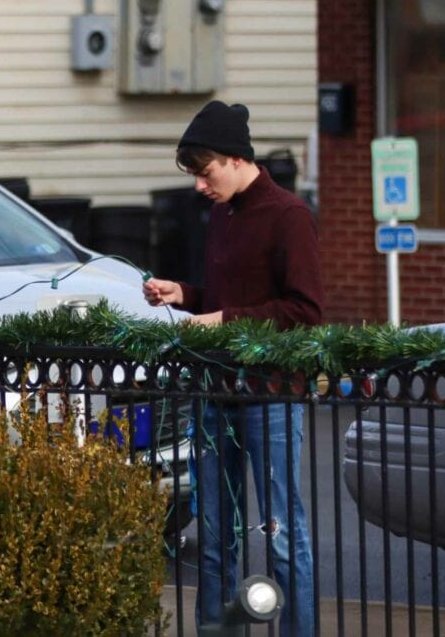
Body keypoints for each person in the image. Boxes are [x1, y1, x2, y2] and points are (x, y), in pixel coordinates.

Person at [142, 101, 323, 635]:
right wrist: (185, 295)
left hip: (269, 394)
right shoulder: (221, 214)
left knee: (283, 534)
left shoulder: (289, 215)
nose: (200, 185)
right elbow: (223, 300)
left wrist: (220, 318)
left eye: (205, 171)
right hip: (217, 393)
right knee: (218, 535)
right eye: (195, 175)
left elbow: (305, 312)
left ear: (236, 159)